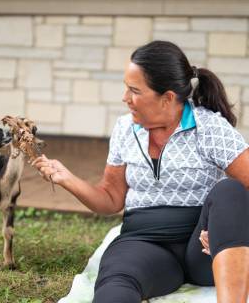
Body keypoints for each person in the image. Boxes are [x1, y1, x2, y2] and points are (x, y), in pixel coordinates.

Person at [34, 40, 249, 303]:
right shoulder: (125, 129)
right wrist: (67, 179)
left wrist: (229, 230)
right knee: (116, 283)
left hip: (203, 250)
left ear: (167, 98)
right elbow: (111, 199)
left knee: (230, 190)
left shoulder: (209, 128)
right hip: (144, 244)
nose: (125, 99)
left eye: (134, 91)